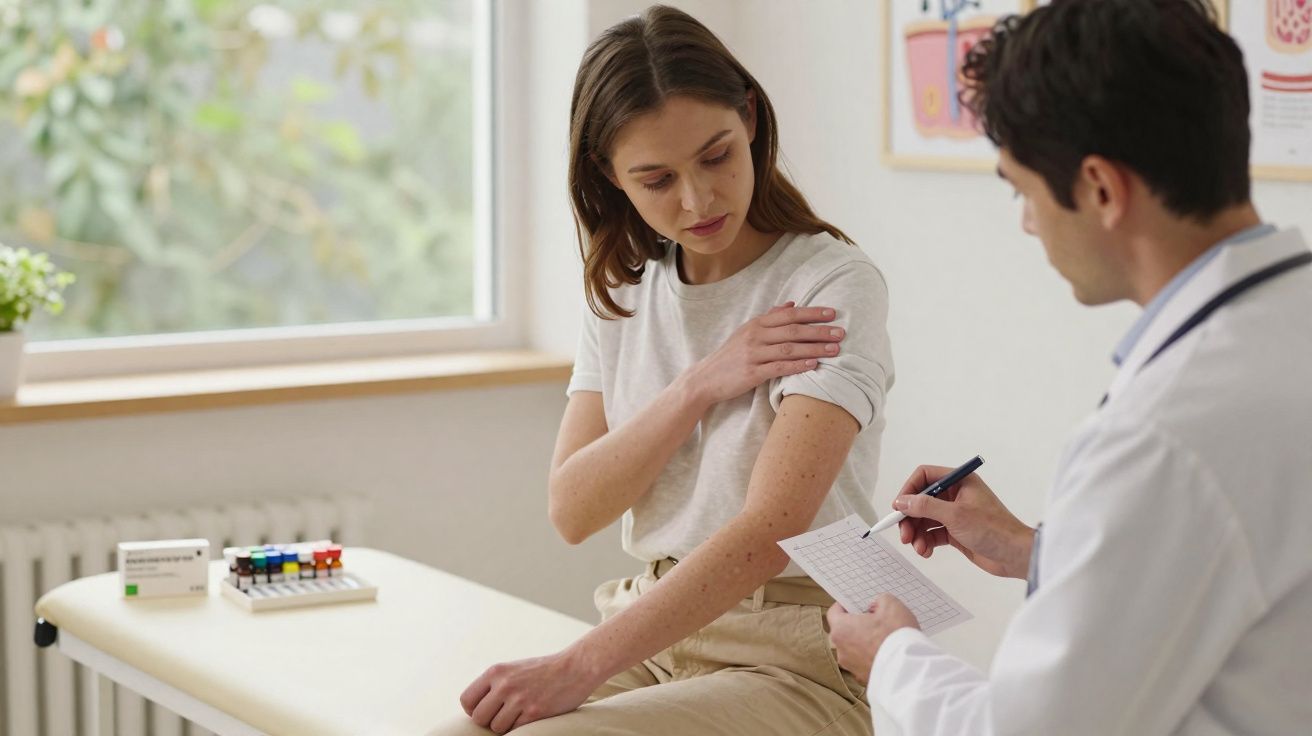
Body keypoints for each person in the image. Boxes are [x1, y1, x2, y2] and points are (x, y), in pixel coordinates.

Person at [825, 1, 1312, 734]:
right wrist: (1038, 550)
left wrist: (890, 656)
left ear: (1100, 189)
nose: (1026, 221)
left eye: (1022, 190)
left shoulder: (1162, 437)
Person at [435, 5, 893, 735]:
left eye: (716, 157)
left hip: (798, 648)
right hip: (655, 631)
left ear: (748, 118)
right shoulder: (622, 290)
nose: (698, 199)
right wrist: (701, 383)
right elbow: (573, 508)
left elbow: (772, 529)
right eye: (656, 179)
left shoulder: (830, 285)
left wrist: (577, 665)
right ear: (609, 176)